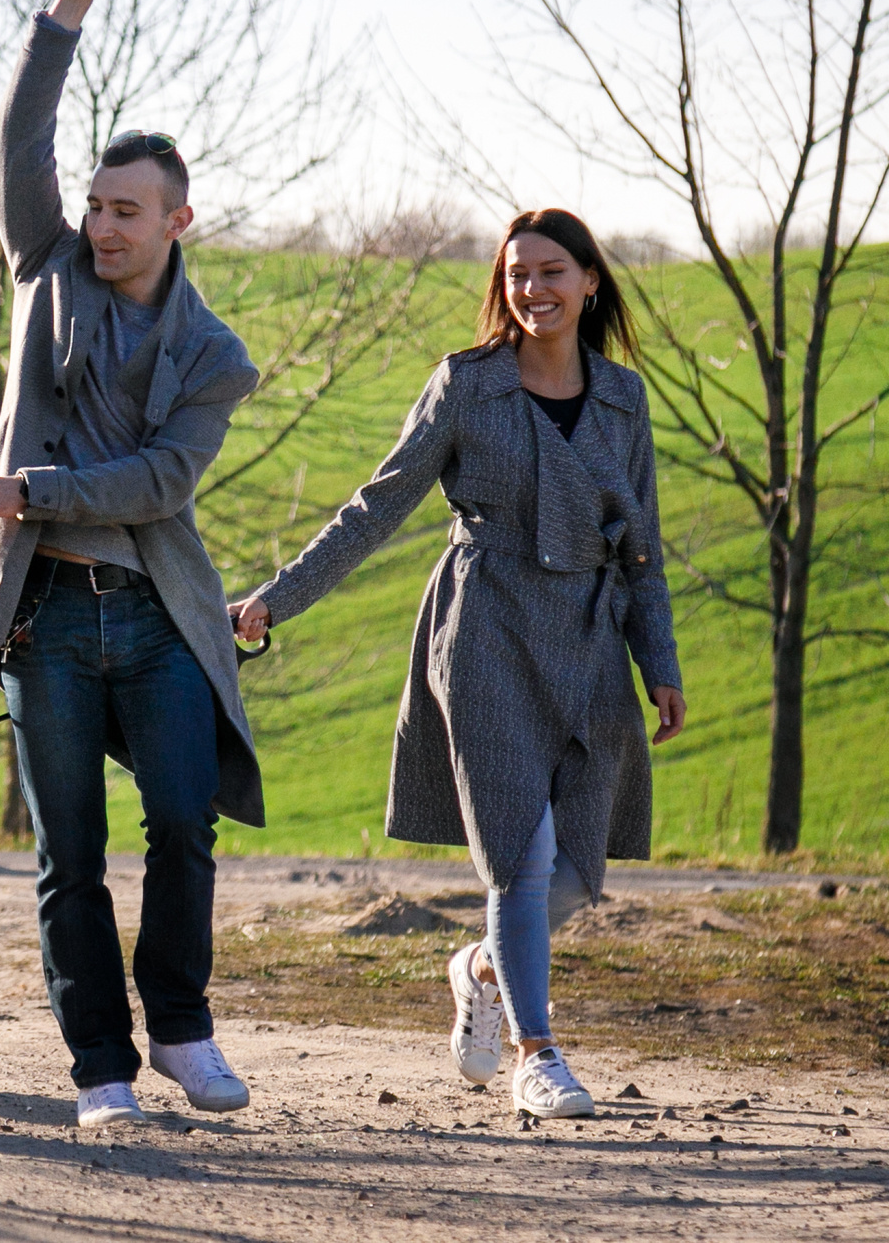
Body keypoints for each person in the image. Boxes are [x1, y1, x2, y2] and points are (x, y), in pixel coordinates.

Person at [230, 209, 687, 1120]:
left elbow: (643, 547)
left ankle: (479, 967)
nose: (534, 291)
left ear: (590, 281)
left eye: (553, 273)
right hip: (485, 630)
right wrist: (278, 596)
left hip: (590, 637)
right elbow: (378, 506)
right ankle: (537, 1053)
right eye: (518, 275)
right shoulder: (466, 386)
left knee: (580, 871)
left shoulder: (625, 401)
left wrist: (658, 660)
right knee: (518, 857)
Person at [0, 0, 264, 1130]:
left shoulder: (216, 358)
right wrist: (65, 9)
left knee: (183, 819)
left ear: (179, 219)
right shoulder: (44, 266)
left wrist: (30, 488)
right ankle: (99, 1070)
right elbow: (22, 143)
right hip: (46, 614)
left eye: (128, 210)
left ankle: (179, 1026)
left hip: (162, 616)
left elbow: (160, 482)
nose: (104, 225)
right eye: (98, 207)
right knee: (70, 849)